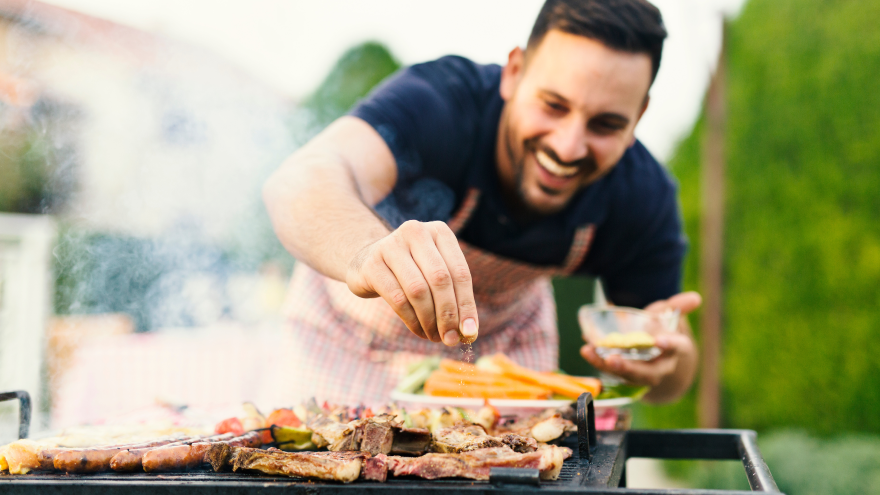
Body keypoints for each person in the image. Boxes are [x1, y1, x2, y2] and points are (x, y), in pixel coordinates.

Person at [264, 0, 701, 406]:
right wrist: (365, 254)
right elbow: (299, 181)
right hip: (346, 343)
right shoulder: (442, 102)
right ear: (514, 72)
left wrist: (663, 364)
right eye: (553, 105)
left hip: (502, 358)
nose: (568, 148)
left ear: (639, 115)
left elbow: (674, 378)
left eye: (606, 125)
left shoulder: (642, 195)